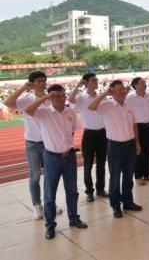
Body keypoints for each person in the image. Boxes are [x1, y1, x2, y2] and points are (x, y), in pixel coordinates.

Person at [26, 84, 88, 240]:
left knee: (72, 191)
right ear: (51, 97)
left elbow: (73, 131)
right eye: (57, 96)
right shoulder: (44, 113)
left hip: (69, 157)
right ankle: (50, 225)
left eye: (63, 95)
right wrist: (45, 98)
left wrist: (66, 146)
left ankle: (74, 218)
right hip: (51, 158)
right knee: (49, 194)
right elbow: (28, 111)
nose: (61, 99)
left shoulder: (70, 112)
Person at [4, 71, 62, 219]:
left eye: (44, 80)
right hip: (33, 143)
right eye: (38, 81)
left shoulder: (50, 98)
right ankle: (37, 206)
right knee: (35, 175)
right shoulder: (26, 99)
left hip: (50, 143)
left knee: (50, 176)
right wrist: (24, 88)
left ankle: (50, 202)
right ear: (32, 83)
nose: (42, 83)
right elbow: (8, 103)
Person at [88, 80, 143, 218]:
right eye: (119, 89)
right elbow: (91, 106)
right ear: (112, 91)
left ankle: (128, 202)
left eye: (124, 89)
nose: (123, 91)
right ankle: (115, 206)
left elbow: (134, 124)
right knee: (115, 178)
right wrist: (106, 93)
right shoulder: (106, 105)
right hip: (115, 147)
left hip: (130, 145)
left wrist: (137, 143)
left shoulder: (128, 105)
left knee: (128, 177)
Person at [68, 73, 108, 202]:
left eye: (96, 79)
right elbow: (70, 99)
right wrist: (78, 85)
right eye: (93, 80)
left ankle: (100, 189)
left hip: (103, 133)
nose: (96, 82)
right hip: (89, 135)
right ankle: (89, 191)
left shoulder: (101, 97)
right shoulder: (81, 98)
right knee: (88, 165)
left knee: (101, 164)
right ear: (86, 83)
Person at [127, 77, 149, 186]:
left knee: (148, 152)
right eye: (142, 83)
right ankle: (137, 176)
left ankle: (147, 174)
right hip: (137, 127)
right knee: (138, 152)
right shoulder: (130, 98)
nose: (145, 84)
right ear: (135, 85)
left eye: (145, 82)